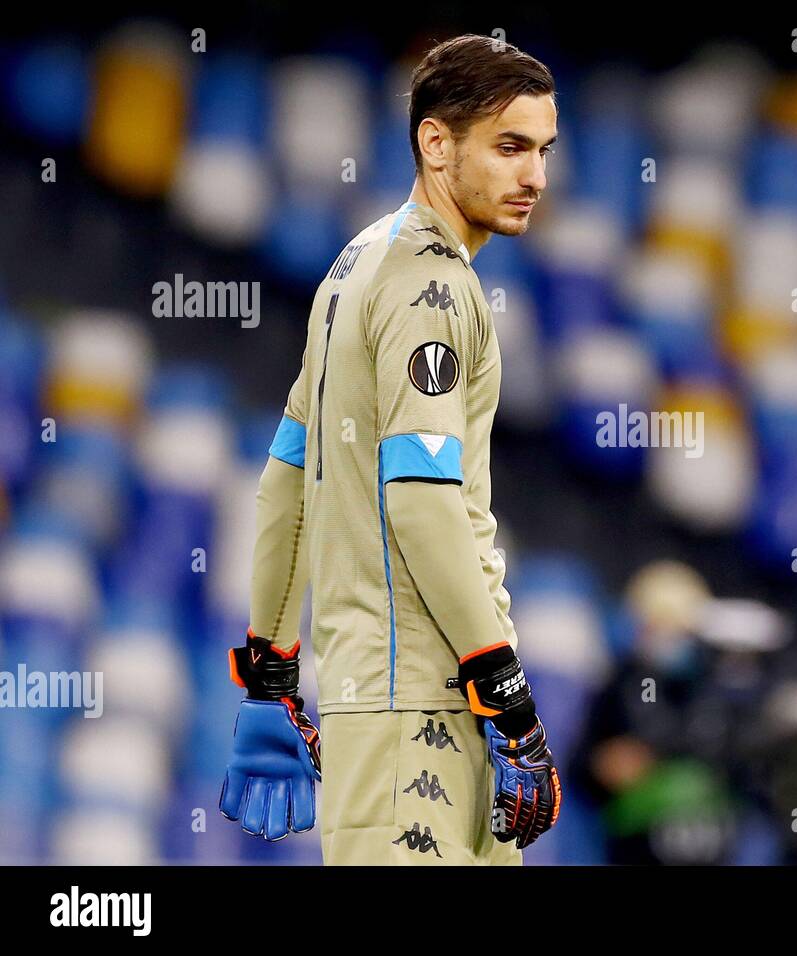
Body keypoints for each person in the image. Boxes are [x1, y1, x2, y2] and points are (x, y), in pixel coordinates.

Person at [218, 34, 561, 864]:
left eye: (545, 151)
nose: (536, 178)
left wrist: (271, 675)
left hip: (398, 704)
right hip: (425, 709)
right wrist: (506, 698)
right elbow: (420, 497)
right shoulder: (433, 287)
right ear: (435, 143)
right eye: (510, 147)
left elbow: (288, 479)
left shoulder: (352, 268)